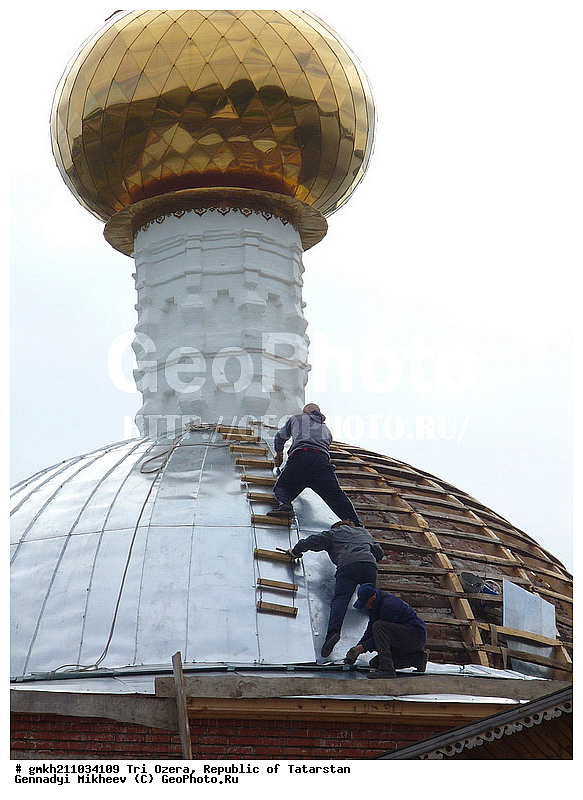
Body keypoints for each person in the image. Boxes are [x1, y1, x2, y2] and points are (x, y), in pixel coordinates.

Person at [286, 520, 385, 658]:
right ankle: (371, 642)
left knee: (341, 600)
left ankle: (333, 633)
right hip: (369, 565)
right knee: (372, 603)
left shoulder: (334, 533)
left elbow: (313, 541)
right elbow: (379, 552)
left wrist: (296, 551)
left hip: (348, 565)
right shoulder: (364, 532)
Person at [267, 404, 361, 525]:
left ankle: (286, 506)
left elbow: (280, 437)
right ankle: (355, 523)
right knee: (336, 496)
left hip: (300, 458)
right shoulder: (327, 430)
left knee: (281, 487)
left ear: (305, 411)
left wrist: (279, 454)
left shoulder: (298, 418)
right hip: (321, 462)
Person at [344, 584, 429, 678]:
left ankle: (387, 670)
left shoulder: (389, 605)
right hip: (402, 638)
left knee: (379, 626)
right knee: (375, 663)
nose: (366, 606)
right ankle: (417, 659)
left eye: (366, 602)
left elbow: (381, 636)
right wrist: (357, 649)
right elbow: (370, 631)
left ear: (373, 597)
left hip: (415, 636)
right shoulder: (376, 605)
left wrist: (362, 647)